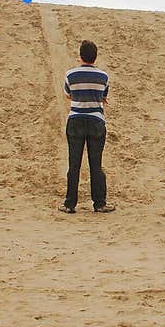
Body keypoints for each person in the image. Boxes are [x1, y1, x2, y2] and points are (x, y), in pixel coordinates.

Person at [58, 40, 115, 214]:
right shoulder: (103, 76)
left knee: (74, 164)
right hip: (96, 121)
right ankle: (99, 203)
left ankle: (69, 204)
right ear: (95, 56)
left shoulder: (70, 75)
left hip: (75, 120)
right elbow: (103, 96)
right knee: (96, 164)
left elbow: (68, 95)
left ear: (80, 55)